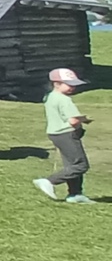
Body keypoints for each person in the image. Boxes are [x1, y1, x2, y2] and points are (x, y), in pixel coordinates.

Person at [32, 67, 93, 204]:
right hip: (66, 134)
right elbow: (72, 120)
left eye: (74, 85)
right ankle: (48, 181)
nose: (73, 88)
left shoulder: (49, 97)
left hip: (55, 134)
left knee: (70, 165)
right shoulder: (65, 100)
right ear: (56, 84)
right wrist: (84, 119)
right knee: (80, 165)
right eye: (69, 85)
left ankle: (75, 193)